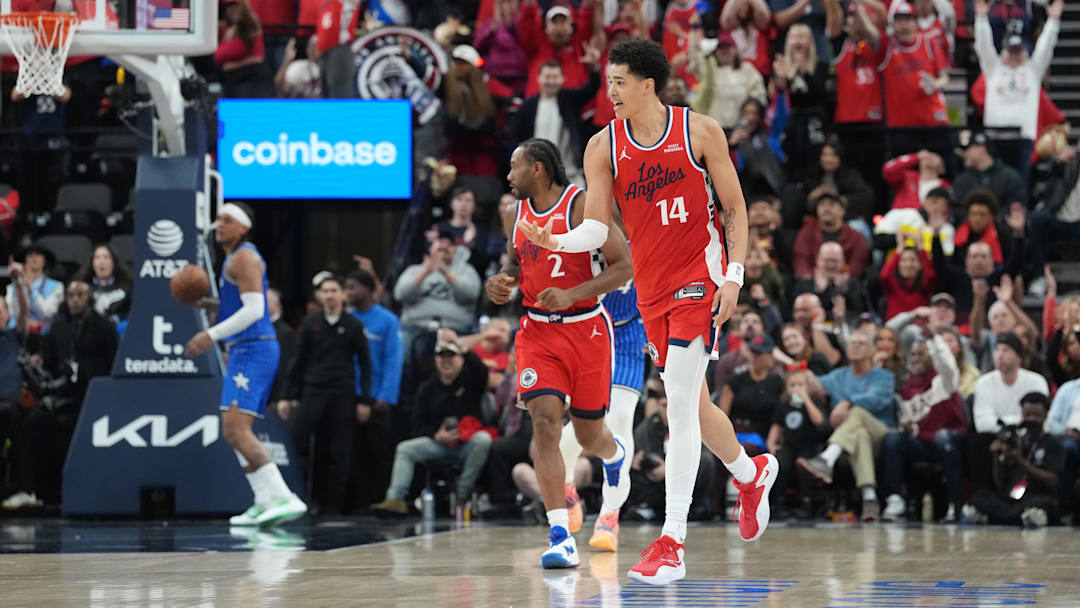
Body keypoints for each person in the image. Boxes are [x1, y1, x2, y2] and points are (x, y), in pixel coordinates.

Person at [516, 38, 777, 585]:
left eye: (618, 82)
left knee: (679, 400)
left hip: (699, 279)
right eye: (607, 82)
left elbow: (733, 208)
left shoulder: (700, 131)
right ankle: (750, 473)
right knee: (698, 407)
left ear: (647, 86)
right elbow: (595, 227)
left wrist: (733, 277)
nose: (609, 91)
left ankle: (671, 540)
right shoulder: (600, 146)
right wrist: (556, 239)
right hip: (649, 291)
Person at [486, 138, 633, 567]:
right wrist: (501, 281)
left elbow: (625, 267)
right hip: (535, 333)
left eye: (514, 168)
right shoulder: (515, 214)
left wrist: (572, 295)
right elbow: (516, 264)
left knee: (589, 436)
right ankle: (560, 535)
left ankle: (615, 455)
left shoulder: (582, 203)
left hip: (586, 329)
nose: (508, 176)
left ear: (538, 169)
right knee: (546, 426)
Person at [183, 202, 307, 527]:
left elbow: (255, 310)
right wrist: (211, 304)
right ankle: (263, 499)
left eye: (227, 220)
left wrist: (210, 335)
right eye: (218, 219)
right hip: (243, 350)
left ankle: (283, 496)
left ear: (243, 227)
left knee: (237, 429)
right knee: (232, 430)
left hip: (255, 349)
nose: (219, 225)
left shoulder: (245, 257)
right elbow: (241, 305)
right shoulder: (232, 259)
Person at [556, 271, 646, 545]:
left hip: (631, 330)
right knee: (584, 424)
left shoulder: (643, 232)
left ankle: (610, 514)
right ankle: (566, 484)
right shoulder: (585, 231)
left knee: (620, 418)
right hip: (587, 327)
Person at [371, 332, 493, 515]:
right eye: (441, 356)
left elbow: (481, 370)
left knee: (483, 439)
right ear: (435, 360)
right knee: (405, 448)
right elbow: (417, 426)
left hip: (465, 443)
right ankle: (395, 499)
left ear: (461, 359)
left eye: (451, 356)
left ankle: (461, 494)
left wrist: (461, 346)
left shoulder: (471, 380)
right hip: (438, 444)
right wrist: (436, 435)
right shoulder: (427, 388)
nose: (446, 360)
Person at [278, 275, 372, 515]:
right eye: (324, 290)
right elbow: (298, 362)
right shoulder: (310, 324)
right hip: (314, 390)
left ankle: (336, 506)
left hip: (342, 391)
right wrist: (287, 396)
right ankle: (297, 498)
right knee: (298, 439)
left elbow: (365, 364)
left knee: (341, 449)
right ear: (319, 296)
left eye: (333, 290)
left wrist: (364, 400)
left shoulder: (353, 325)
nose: (329, 295)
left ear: (342, 294)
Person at [797, 331, 896, 521]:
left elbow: (877, 400)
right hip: (854, 438)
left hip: (883, 432)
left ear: (871, 350)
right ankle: (869, 498)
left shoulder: (884, 376)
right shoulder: (838, 376)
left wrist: (847, 402)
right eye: (852, 343)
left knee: (856, 412)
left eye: (861, 343)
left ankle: (827, 458)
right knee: (860, 435)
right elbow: (815, 384)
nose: (855, 346)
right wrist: (808, 379)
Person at [879, 332, 967, 521]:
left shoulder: (945, 380)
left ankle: (956, 504)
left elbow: (947, 364)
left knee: (942, 438)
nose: (916, 359)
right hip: (922, 443)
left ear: (932, 356)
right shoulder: (905, 388)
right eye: (914, 355)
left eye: (922, 354)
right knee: (892, 438)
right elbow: (907, 420)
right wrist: (906, 426)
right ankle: (895, 500)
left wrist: (935, 339)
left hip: (949, 439)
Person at [973, 0, 1062, 183]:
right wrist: (981, 18)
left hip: (1023, 138)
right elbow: (983, 46)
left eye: (1018, 51)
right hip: (995, 136)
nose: (1014, 55)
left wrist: (1053, 21)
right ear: (1004, 51)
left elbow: (1046, 48)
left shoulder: (1032, 71)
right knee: (995, 183)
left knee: (1020, 182)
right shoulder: (994, 69)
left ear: (1025, 52)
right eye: (1011, 51)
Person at [973, 393, 1065, 527]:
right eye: (1027, 415)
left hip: (1038, 496)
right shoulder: (1016, 440)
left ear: (1046, 415)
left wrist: (1020, 461)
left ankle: (996, 518)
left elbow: (1052, 481)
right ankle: (1020, 518)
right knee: (980, 497)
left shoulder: (1053, 443)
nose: (1031, 419)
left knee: (1043, 505)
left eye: (1036, 415)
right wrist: (997, 456)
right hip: (1013, 499)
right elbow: (1000, 484)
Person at [511, 57, 602, 186]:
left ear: (562, 79)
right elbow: (516, 137)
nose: (551, 81)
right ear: (539, 78)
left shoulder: (570, 100)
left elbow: (591, 88)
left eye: (555, 77)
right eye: (548, 77)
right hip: (537, 176)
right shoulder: (528, 106)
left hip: (570, 174)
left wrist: (594, 69)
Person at [215, 0, 276, 98]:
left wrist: (231, 66)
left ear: (244, 8)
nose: (233, 10)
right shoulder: (225, 29)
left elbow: (257, 59)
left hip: (250, 77)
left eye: (236, 6)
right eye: (230, 7)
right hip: (228, 79)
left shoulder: (251, 27)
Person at [5, 244, 62, 333]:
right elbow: (12, 313)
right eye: (30, 255)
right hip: (16, 334)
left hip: (44, 335)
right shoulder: (12, 287)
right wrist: (18, 285)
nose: (34, 258)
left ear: (45, 261)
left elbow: (48, 313)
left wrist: (31, 288)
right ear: (25, 261)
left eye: (38, 255)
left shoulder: (56, 286)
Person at [73, 244, 131, 323]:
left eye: (106, 257)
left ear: (114, 262)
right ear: (92, 263)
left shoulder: (127, 287)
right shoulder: (81, 287)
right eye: (97, 258)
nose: (102, 261)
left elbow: (130, 312)